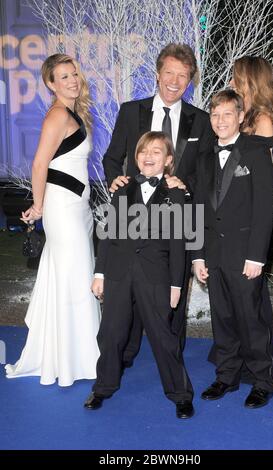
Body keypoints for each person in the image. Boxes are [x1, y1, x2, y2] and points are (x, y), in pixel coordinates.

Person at [102, 43, 215, 365]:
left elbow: (203, 174)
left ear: (190, 80)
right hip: (134, 216)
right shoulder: (130, 111)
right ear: (157, 75)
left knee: (175, 285)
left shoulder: (201, 121)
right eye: (169, 73)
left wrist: (185, 187)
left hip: (178, 216)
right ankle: (124, 354)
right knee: (129, 288)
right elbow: (112, 158)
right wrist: (115, 181)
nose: (175, 81)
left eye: (183, 76)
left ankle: (171, 355)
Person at [5, 54, 100, 386]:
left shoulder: (73, 112)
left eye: (74, 73)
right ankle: (71, 360)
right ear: (50, 83)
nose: (72, 80)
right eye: (63, 77)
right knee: (74, 278)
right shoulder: (57, 116)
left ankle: (74, 354)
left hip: (78, 209)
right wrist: (40, 207)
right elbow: (39, 164)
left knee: (75, 276)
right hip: (63, 211)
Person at [84, 131, 194, 419]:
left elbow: (179, 244)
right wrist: (100, 273)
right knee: (110, 333)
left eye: (157, 152)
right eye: (144, 151)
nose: (149, 156)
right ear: (136, 158)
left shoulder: (176, 194)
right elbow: (108, 235)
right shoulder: (122, 188)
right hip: (119, 272)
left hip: (156, 275)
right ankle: (103, 386)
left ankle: (180, 394)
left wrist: (175, 284)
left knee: (164, 337)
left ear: (168, 160)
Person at [193, 89, 273, 408]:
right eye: (215, 115)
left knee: (251, 319)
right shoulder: (203, 158)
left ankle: (262, 380)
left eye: (228, 114)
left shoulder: (257, 151)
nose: (221, 120)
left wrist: (257, 256)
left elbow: (265, 208)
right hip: (214, 255)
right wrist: (198, 254)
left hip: (246, 255)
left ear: (241, 117)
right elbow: (200, 210)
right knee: (223, 319)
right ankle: (226, 376)